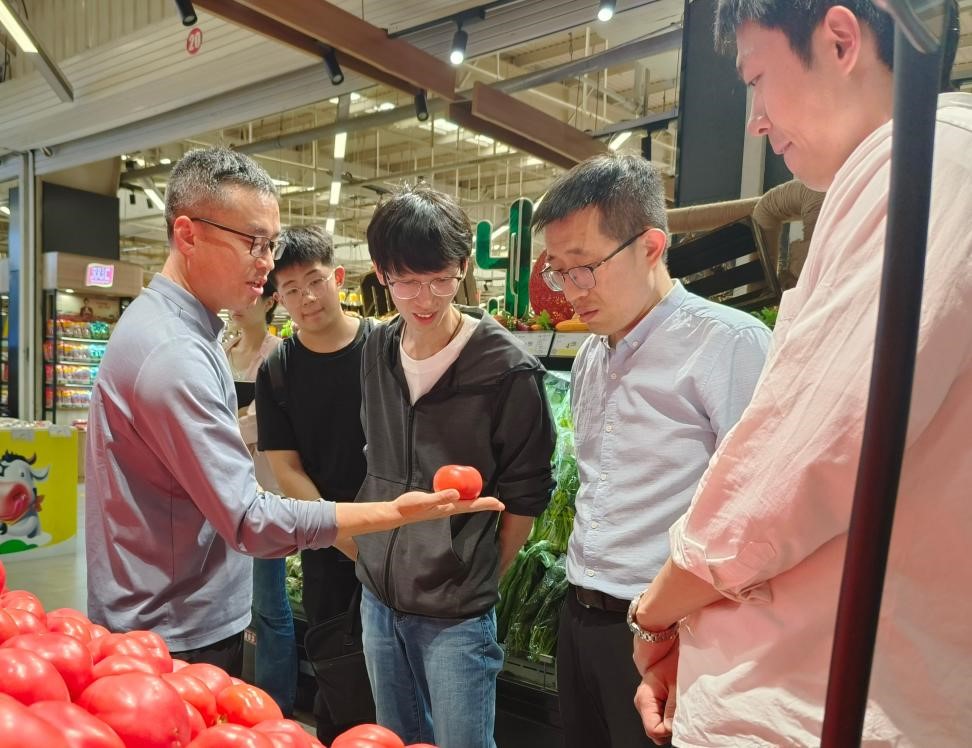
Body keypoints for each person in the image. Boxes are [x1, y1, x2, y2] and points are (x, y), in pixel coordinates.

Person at [632, 3, 972, 746]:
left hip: (815, 703)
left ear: (841, 40)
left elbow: (801, 457)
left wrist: (656, 612)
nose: (756, 120)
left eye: (757, 78)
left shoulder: (925, 164)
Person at [84, 147, 503, 676]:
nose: (266, 263)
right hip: (171, 628)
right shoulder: (174, 353)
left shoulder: (176, 329)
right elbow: (249, 519)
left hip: (163, 609)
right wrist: (393, 515)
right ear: (187, 235)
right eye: (254, 243)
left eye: (272, 244)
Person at [531, 153, 771, 748]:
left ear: (651, 247)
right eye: (558, 272)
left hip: (672, 632)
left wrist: (670, 624)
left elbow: (756, 515)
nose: (570, 292)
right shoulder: (592, 354)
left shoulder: (730, 345)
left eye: (584, 268)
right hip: (579, 615)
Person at [353, 185, 556, 748]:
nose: (425, 299)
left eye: (441, 279)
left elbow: (525, 498)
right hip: (377, 599)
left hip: (456, 616)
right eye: (407, 282)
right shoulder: (375, 351)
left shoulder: (506, 368)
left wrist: (471, 576)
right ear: (382, 274)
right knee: (394, 739)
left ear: (463, 267)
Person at [255, 224, 373, 741]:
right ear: (277, 298)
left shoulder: (386, 346)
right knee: (342, 683)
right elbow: (286, 470)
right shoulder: (278, 369)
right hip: (327, 547)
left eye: (315, 281)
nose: (306, 298)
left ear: (338, 278)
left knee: (406, 686)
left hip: (400, 542)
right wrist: (347, 539)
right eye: (291, 289)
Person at [223, 281, 296, 715]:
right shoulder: (224, 350)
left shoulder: (279, 355)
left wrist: (218, 428)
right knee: (227, 600)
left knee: (269, 603)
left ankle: (276, 705)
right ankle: (234, 696)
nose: (239, 303)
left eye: (252, 294)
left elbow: (258, 424)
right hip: (221, 492)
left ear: (271, 301)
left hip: (265, 493)